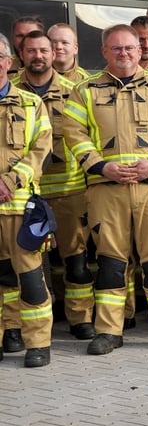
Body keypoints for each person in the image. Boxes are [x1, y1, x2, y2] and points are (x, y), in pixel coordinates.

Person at [63, 24, 148, 355]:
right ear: (104, 52)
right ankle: (109, 331)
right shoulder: (84, 90)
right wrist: (100, 165)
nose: (123, 53)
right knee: (110, 262)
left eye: (129, 48)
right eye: (116, 48)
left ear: (140, 51)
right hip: (106, 188)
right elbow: (74, 132)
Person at [16, 30, 94, 341]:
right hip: (26, 192)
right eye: (31, 51)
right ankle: (30, 324)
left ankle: (80, 318)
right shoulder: (11, 92)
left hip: (69, 190)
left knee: (76, 260)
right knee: (28, 263)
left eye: (43, 51)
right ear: (21, 55)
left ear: (53, 54)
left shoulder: (75, 91)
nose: (38, 56)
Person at [0, 32, 53, 368]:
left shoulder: (31, 103)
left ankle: (38, 343)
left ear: (8, 61)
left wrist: (9, 180)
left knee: (31, 279)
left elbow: (41, 149)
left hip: (20, 208)